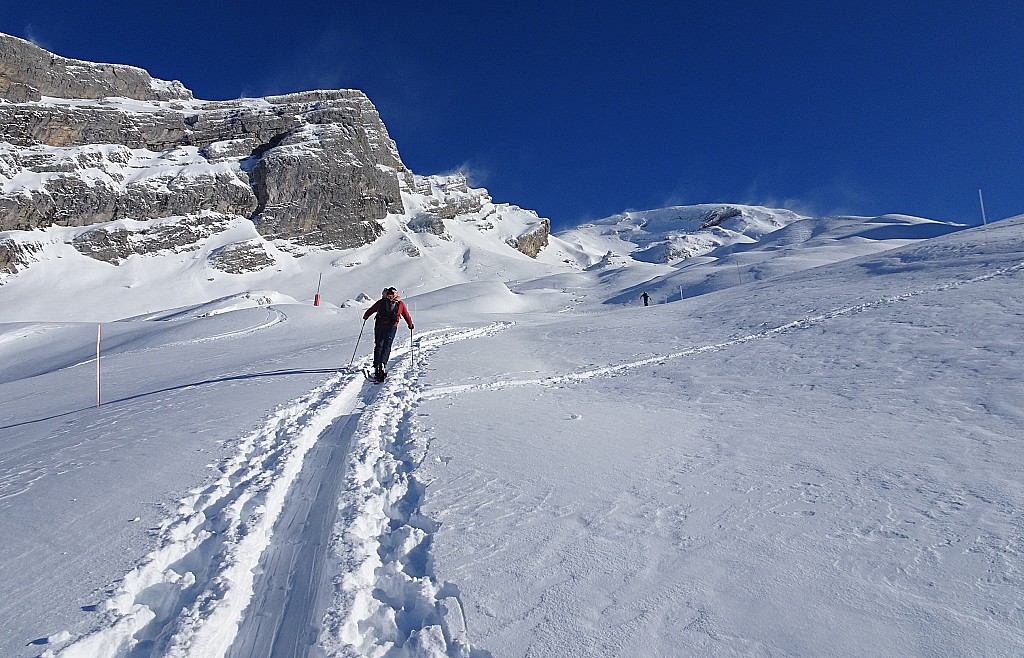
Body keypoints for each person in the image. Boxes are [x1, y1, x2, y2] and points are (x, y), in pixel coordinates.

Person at [363, 287, 414, 381]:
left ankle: (377, 366)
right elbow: (406, 315)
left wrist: (366, 316)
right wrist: (410, 325)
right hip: (392, 326)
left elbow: (371, 310)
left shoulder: (382, 302)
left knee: (379, 345)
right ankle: (383, 363)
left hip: (379, 325)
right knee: (387, 346)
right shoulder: (400, 303)